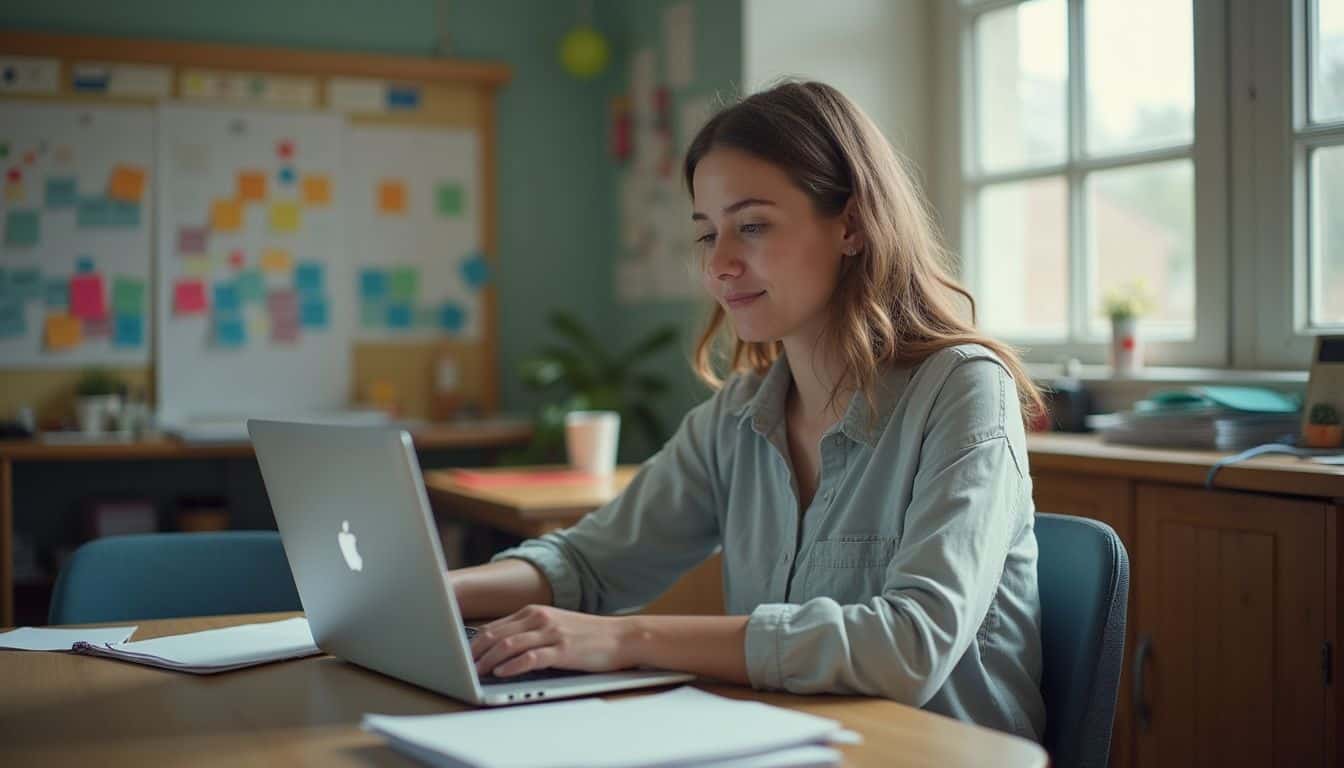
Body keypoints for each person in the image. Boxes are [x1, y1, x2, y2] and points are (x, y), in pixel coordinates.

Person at [450, 80, 1047, 740]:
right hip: (782, 748)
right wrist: (427, 596)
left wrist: (627, 639)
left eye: (753, 226)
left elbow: (910, 645)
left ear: (850, 224)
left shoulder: (963, 390)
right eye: (708, 235)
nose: (721, 266)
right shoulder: (739, 414)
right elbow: (589, 564)